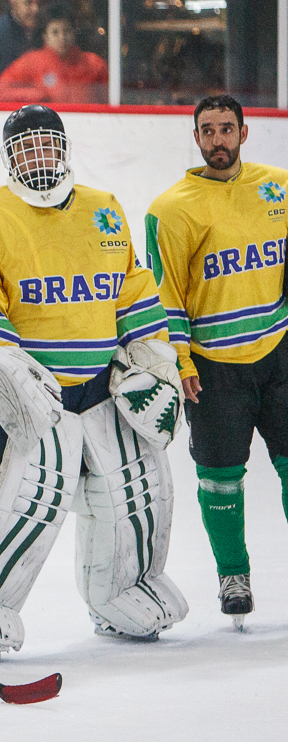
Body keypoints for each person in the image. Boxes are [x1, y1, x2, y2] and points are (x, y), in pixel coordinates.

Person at [0, 105, 188, 660]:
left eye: (46, 145)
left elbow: (132, 289)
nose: (38, 158)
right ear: (9, 159)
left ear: (64, 147)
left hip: (99, 386)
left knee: (129, 494)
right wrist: (10, 374)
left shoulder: (104, 211)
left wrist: (153, 360)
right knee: (8, 500)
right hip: (25, 396)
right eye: (24, 149)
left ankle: (120, 589)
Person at [147, 95, 288, 630]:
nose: (218, 139)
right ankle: (234, 575)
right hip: (214, 366)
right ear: (197, 137)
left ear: (245, 133)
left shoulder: (279, 186)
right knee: (221, 478)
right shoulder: (171, 207)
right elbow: (168, 295)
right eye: (208, 131)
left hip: (280, 354)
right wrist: (179, 360)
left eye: (227, 129)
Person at [0, 3, 107, 104]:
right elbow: (1, 90)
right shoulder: (31, 62)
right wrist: (36, 95)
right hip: (47, 122)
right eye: (55, 32)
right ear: (45, 37)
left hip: (87, 123)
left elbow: (112, 99)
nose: (62, 38)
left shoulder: (93, 64)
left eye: (66, 31)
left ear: (73, 33)